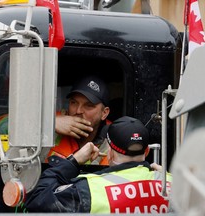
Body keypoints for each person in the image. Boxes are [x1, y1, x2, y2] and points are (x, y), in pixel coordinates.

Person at [24, 116, 172, 213]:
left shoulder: (89, 189)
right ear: (146, 151)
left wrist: (73, 161)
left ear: (110, 153)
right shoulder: (176, 185)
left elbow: (36, 200)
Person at [46, 75, 111, 165]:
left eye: (89, 105)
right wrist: (50, 124)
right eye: (74, 103)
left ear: (104, 113)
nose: (78, 111)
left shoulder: (114, 138)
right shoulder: (51, 119)